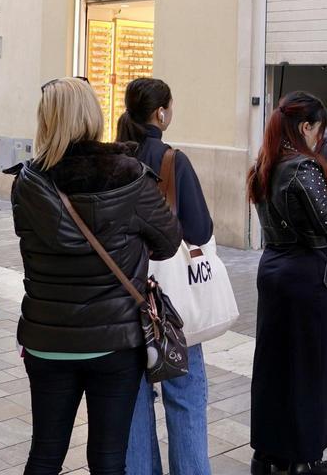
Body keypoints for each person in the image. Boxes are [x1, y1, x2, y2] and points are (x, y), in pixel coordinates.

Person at [9, 77, 181, 475]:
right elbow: (169, 241)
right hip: (114, 341)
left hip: (46, 339)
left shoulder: (28, 183)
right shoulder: (130, 175)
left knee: (45, 454)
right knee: (108, 459)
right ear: (93, 115)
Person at [248, 92, 327, 475]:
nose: (320, 137)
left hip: (274, 269)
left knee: (274, 365)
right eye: (318, 129)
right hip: (305, 276)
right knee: (309, 368)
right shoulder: (303, 167)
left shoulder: (266, 162)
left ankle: (269, 454)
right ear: (305, 127)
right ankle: (304, 458)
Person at [115, 77, 214, 475]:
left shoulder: (113, 157)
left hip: (123, 297)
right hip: (168, 303)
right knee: (185, 395)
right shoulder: (172, 159)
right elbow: (201, 229)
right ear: (161, 112)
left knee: (135, 403)